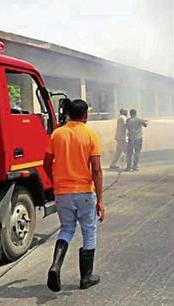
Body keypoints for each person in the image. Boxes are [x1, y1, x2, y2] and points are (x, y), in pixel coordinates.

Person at [44, 99, 106, 292]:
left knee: (66, 229)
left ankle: (55, 266)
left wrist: (56, 182)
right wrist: (101, 201)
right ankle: (86, 278)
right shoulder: (91, 135)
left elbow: (46, 163)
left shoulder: (57, 134)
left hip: (62, 192)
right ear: (85, 115)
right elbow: (96, 170)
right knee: (89, 231)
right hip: (85, 193)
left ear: (68, 114)